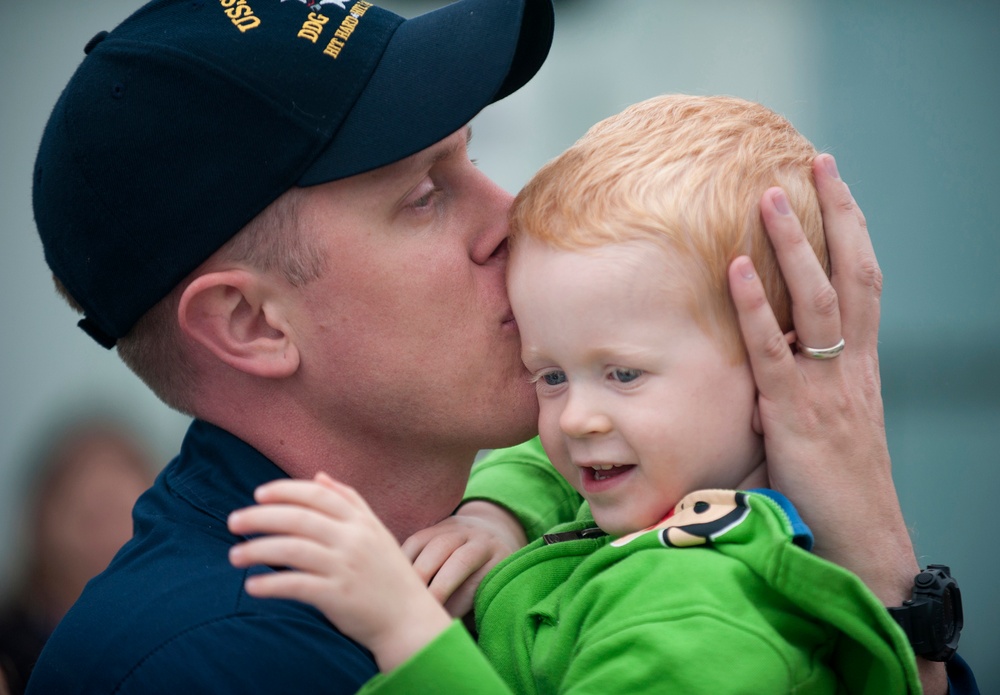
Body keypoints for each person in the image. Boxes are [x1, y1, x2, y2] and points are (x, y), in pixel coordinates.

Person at [24, 0, 970, 692]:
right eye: (426, 193)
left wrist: (868, 538)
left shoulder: (560, 506)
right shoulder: (223, 663)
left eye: (472, 154)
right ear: (254, 323)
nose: (511, 218)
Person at [225, 95, 926, 693]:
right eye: (550, 375)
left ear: (774, 364)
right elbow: (546, 463)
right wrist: (496, 514)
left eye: (623, 374)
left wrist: (405, 628)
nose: (577, 419)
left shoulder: (699, 617)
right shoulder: (670, 491)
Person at [0, 418, 155, 694]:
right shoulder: (9, 654)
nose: (105, 539)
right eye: (89, 520)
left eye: (117, 514)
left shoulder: (178, 640)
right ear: (41, 519)